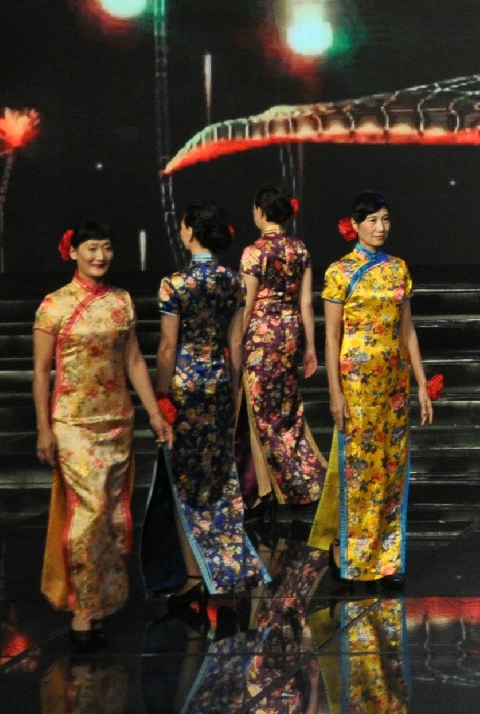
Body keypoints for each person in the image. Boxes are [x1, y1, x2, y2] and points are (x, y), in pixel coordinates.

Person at [33, 222, 171, 649]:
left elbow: (133, 361)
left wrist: (154, 413)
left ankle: (101, 603)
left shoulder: (120, 301)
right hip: (72, 423)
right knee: (88, 512)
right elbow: (40, 371)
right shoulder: (54, 305)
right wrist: (43, 428)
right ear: (73, 251)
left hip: (116, 421)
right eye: (92, 248)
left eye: (107, 248)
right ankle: (82, 610)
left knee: (110, 516)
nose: (100, 256)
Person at [146, 203, 268, 603]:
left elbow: (168, 347)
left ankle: (194, 570)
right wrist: (233, 388)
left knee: (185, 477)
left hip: (184, 386)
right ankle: (226, 560)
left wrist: (160, 395)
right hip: (218, 382)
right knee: (218, 473)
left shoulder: (174, 284)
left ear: (188, 232)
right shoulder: (232, 281)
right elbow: (235, 342)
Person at [310, 192, 434, 585]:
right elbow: (331, 337)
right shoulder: (340, 272)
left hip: (394, 383)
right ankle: (352, 554)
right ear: (355, 225)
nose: (381, 228)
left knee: (392, 469)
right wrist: (335, 391)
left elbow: (407, 330)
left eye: (385, 219)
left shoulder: (398, 269)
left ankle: (387, 558)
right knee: (361, 471)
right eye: (373, 221)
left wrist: (422, 383)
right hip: (357, 385)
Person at [239, 186, 325, 514]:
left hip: (261, 337)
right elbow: (307, 303)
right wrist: (310, 347)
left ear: (261, 211)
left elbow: (247, 305)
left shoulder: (254, 252)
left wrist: (236, 340)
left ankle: (277, 488)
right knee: (286, 409)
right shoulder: (299, 249)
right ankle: (298, 479)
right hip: (290, 333)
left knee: (261, 412)